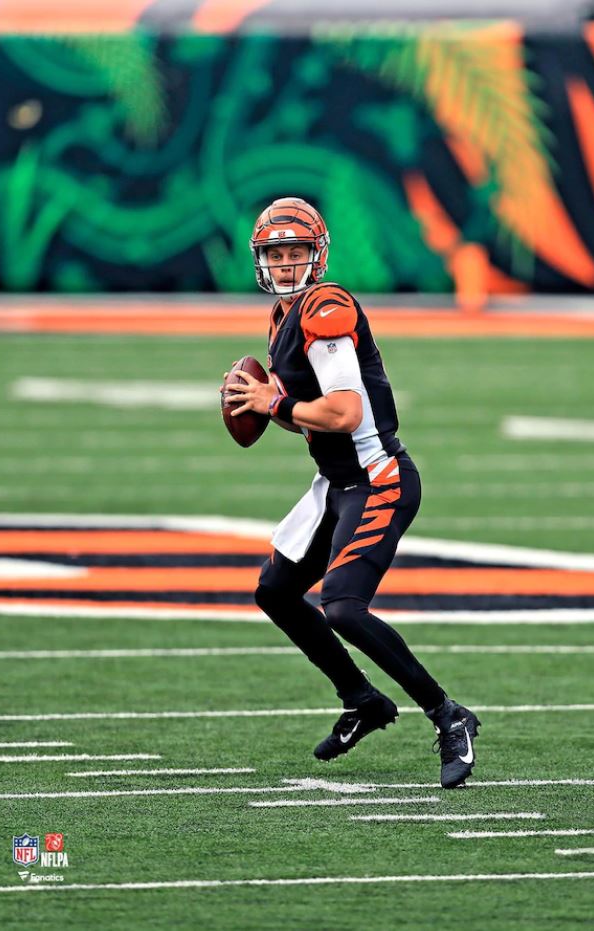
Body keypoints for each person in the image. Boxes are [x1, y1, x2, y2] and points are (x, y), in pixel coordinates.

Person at [225, 196, 480, 788]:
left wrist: (274, 402)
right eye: (275, 253)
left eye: (295, 253)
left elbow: (344, 411)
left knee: (341, 606)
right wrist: (267, 409)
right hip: (336, 483)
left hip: (377, 478)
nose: (286, 264)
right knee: (277, 592)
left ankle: (449, 715)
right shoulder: (283, 317)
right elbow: (308, 417)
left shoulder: (327, 307)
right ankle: (362, 700)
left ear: (317, 256)